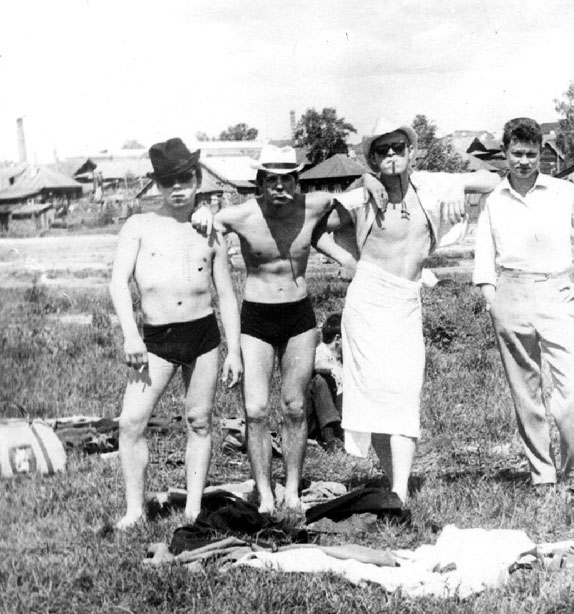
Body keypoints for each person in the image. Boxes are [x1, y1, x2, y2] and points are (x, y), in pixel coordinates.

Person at [196, 144, 378, 513]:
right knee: (256, 409)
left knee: (295, 407)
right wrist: (202, 211)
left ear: (296, 181)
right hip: (257, 317)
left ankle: (292, 489)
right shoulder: (242, 215)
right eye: (272, 180)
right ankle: (265, 493)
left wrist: (369, 181)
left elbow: (357, 193)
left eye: (287, 180)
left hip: (298, 316)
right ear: (260, 182)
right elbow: (208, 219)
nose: (280, 187)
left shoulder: (312, 205)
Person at [331, 119, 500, 503]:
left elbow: (491, 179)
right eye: (382, 150)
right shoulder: (364, 195)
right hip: (367, 299)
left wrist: (458, 186)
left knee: (405, 391)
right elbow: (318, 225)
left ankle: (400, 490)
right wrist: (348, 260)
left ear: (411, 152)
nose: (391, 154)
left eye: (398, 147)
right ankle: (397, 488)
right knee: (374, 395)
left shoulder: (431, 185)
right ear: (372, 158)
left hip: (406, 300)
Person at [473, 117, 574, 490]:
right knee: (526, 393)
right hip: (510, 294)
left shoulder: (564, 191)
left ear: (541, 154)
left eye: (531, 154)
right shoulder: (493, 200)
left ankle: (573, 470)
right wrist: (492, 300)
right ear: (505, 153)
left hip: (557, 292)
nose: (524, 161)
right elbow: (483, 257)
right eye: (517, 154)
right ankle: (542, 476)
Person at [109, 137, 242, 529]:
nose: (178, 188)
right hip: (156, 340)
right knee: (131, 422)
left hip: (202, 337)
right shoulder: (140, 226)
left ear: (197, 179)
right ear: (158, 185)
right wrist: (130, 335)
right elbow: (118, 282)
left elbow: (226, 295)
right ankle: (135, 511)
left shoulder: (210, 230)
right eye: (169, 181)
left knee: (199, 421)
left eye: (185, 179)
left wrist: (234, 351)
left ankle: (193, 508)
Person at [307, 312, 344, 448]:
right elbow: (317, 365)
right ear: (338, 338)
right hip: (309, 420)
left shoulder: (344, 360)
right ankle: (331, 437)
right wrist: (333, 369)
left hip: (332, 419)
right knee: (320, 379)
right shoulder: (320, 352)